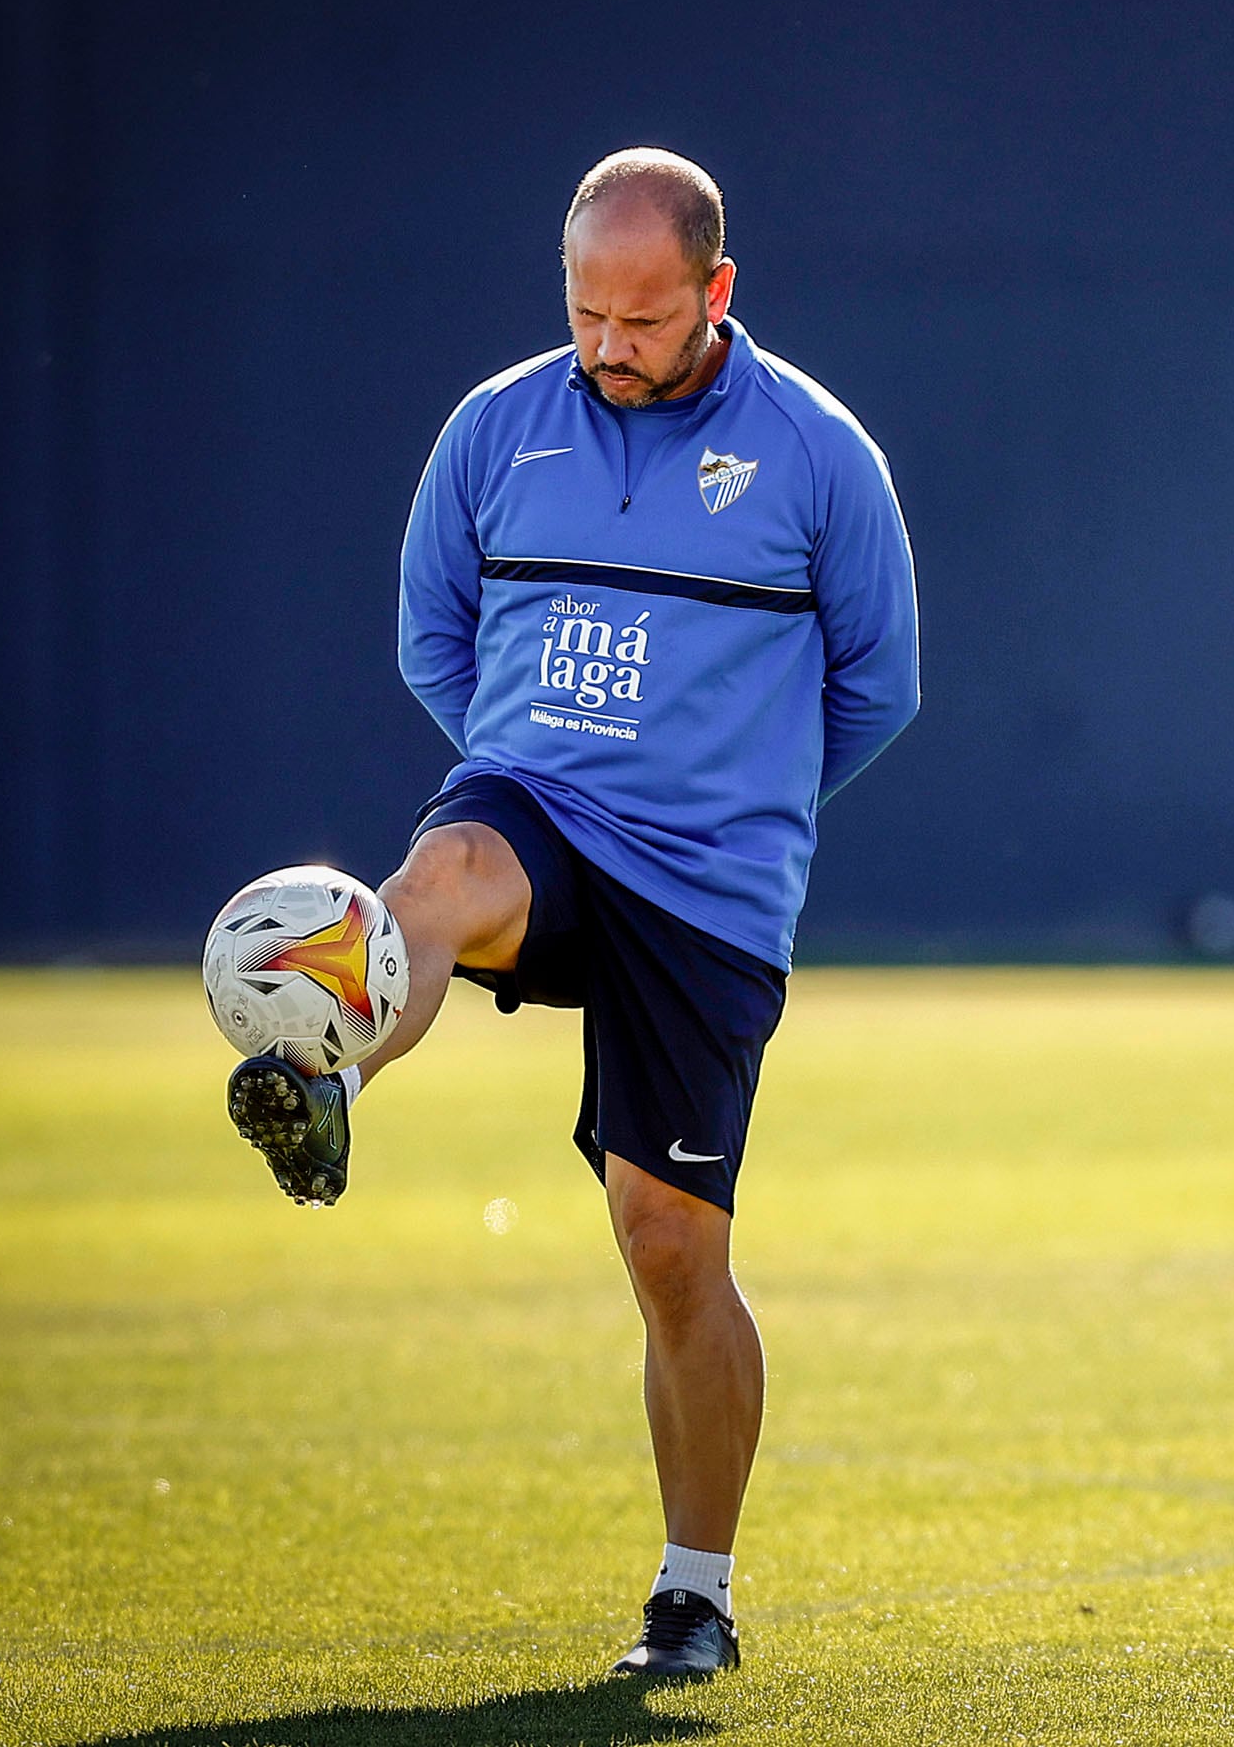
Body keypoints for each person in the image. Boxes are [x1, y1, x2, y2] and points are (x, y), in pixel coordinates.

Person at [220, 147, 920, 1679]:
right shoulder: (492, 428)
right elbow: (435, 641)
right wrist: (540, 757)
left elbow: (879, 686)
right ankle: (319, 1077)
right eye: (586, 312)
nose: (608, 345)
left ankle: (695, 1596)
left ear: (717, 293)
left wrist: (742, 800)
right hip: (541, 810)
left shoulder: (818, 454)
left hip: (711, 887)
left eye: (645, 319)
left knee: (667, 1244)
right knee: (442, 881)